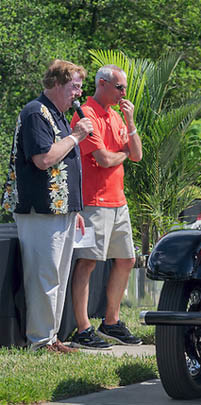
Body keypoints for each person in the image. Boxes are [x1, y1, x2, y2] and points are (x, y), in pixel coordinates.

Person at [2, 59, 93, 353]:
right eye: (74, 86)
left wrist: (75, 209)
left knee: (58, 274)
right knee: (44, 275)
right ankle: (39, 341)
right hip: (39, 209)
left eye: (80, 87)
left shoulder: (58, 114)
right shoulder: (35, 113)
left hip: (61, 210)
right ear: (55, 83)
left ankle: (52, 337)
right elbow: (44, 159)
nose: (78, 93)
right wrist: (76, 136)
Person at [69, 64, 143, 349]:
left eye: (124, 88)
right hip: (93, 202)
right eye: (120, 88)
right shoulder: (85, 114)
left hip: (118, 201)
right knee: (87, 263)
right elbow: (103, 159)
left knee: (127, 260)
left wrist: (130, 120)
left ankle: (111, 322)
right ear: (102, 84)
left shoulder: (116, 116)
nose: (124, 93)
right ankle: (83, 328)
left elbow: (135, 155)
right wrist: (122, 152)